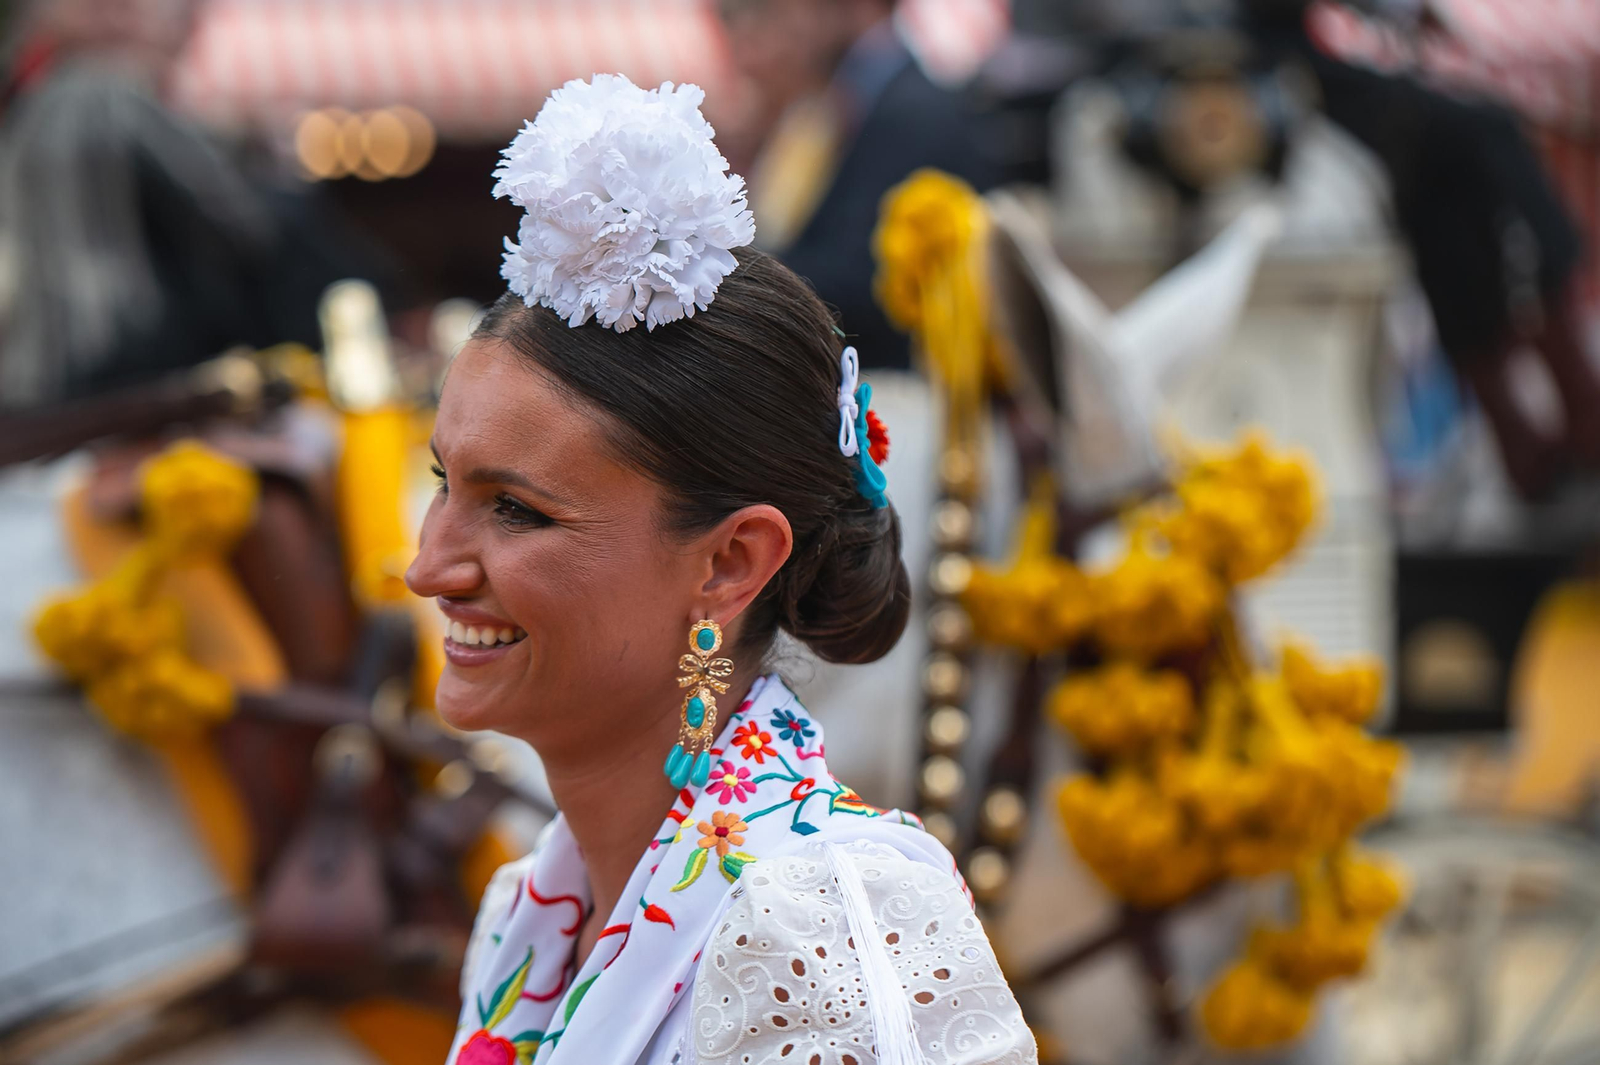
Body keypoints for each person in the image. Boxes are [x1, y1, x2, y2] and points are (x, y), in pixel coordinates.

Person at [405, 75, 1035, 1064]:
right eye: (444, 482)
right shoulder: (526, 912)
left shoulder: (816, 923)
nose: (428, 566)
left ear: (729, 564)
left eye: (516, 509)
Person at [718, 0, 1001, 371]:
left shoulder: (907, 110)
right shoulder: (862, 95)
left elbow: (866, 282)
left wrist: (729, 268)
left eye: (795, 9)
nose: (790, 25)